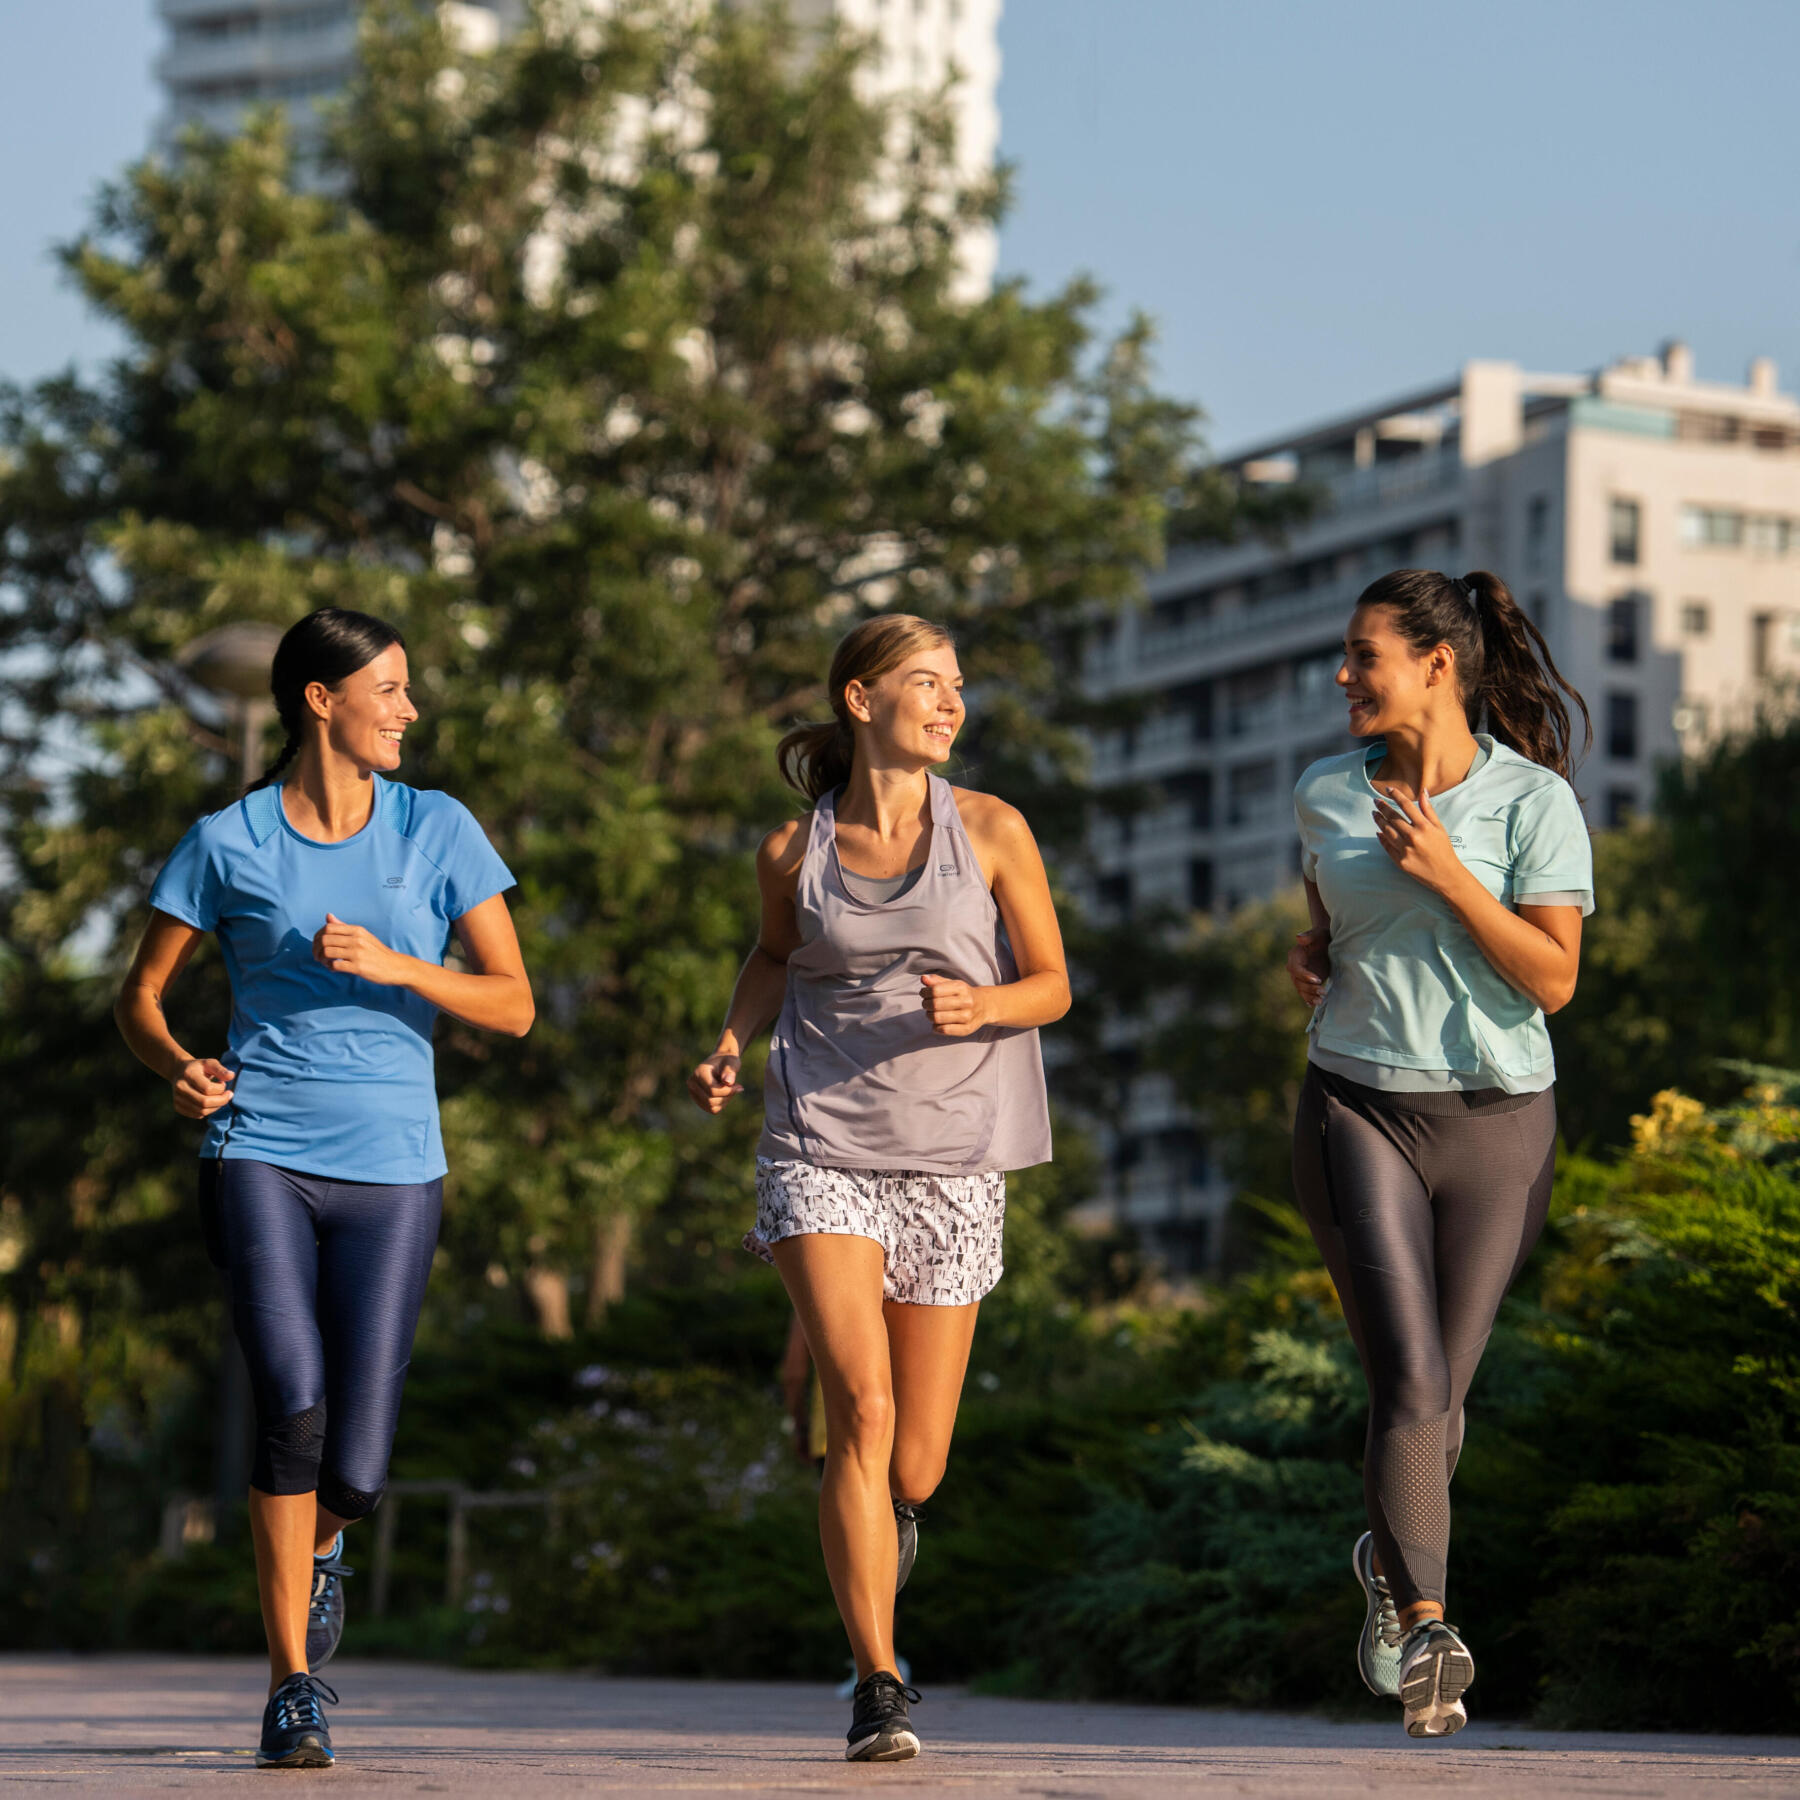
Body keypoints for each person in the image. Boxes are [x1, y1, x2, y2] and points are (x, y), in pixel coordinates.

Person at [116, 608, 533, 1769]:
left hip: (397, 1167)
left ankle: (321, 1549)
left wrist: (401, 964)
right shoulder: (230, 840)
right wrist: (181, 1066)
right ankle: (291, 1685)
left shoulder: (437, 828)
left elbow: (514, 1001)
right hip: (260, 1151)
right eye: (389, 688)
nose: (409, 708)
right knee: (290, 1407)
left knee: (355, 1465)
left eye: (407, 690)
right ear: (319, 700)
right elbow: (139, 1001)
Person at [688, 614, 1068, 1763]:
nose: (953, 704)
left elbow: (1050, 982)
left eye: (959, 686)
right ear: (862, 699)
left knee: (915, 1460)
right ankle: (878, 1680)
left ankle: (881, 1522)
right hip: (820, 1143)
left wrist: (985, 1005)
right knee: (860, 1409)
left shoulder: (993, 830)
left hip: (955, 1156)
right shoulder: (788, 854)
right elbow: (770, 958)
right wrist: (731, 1038)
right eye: (928, 684)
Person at [1286, 569, 1593, 1738]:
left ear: (1437, 666)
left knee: (1441, 1400)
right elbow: (1329, 927)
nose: (1343, 675)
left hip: (1501, 1120)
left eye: (1364, 654)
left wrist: (1450, 876)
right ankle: (1428, 1626)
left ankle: (1385, 1550)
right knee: (1408, 1377)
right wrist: (1309, 960)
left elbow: (1554, 980)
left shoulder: (1533, 805)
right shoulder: (1323, 792)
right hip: (1357, 1103)